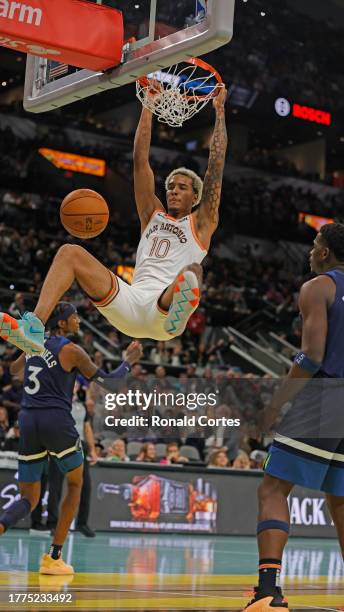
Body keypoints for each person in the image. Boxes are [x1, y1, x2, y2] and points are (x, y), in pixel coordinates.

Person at [0, 88, 228, 353]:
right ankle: (34, 329)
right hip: (131, 303)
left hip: (163, 309)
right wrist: (148, 104)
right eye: (171, 186)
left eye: (182, 187)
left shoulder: (202, 223)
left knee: (193, 272)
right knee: (69, 252)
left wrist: (220, 112)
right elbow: (140, 161)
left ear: (196, 196)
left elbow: (216, 167)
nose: (173, 190)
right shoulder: (151, 215)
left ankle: (179, 314)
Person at [244, 223, 344, 612]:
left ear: (324, 253)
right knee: (340, 501)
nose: (310, 252)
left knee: (273, 489)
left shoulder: (318, 287)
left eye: (314, 245)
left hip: (325, 396)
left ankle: (268, 592)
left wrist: (275, 406)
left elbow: (311, 356)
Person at [0, 301, 142, 575]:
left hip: (28, 420)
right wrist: (128, 361)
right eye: (74, 316)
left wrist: (27, 346)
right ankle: (54, 557)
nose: (79, 319)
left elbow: (15, 373)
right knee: (75, 483)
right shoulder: (71, 350)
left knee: (28, 498)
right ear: (62, 323)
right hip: (56, 421)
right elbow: (111, 384)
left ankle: (3, 523)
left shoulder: (33, 344)